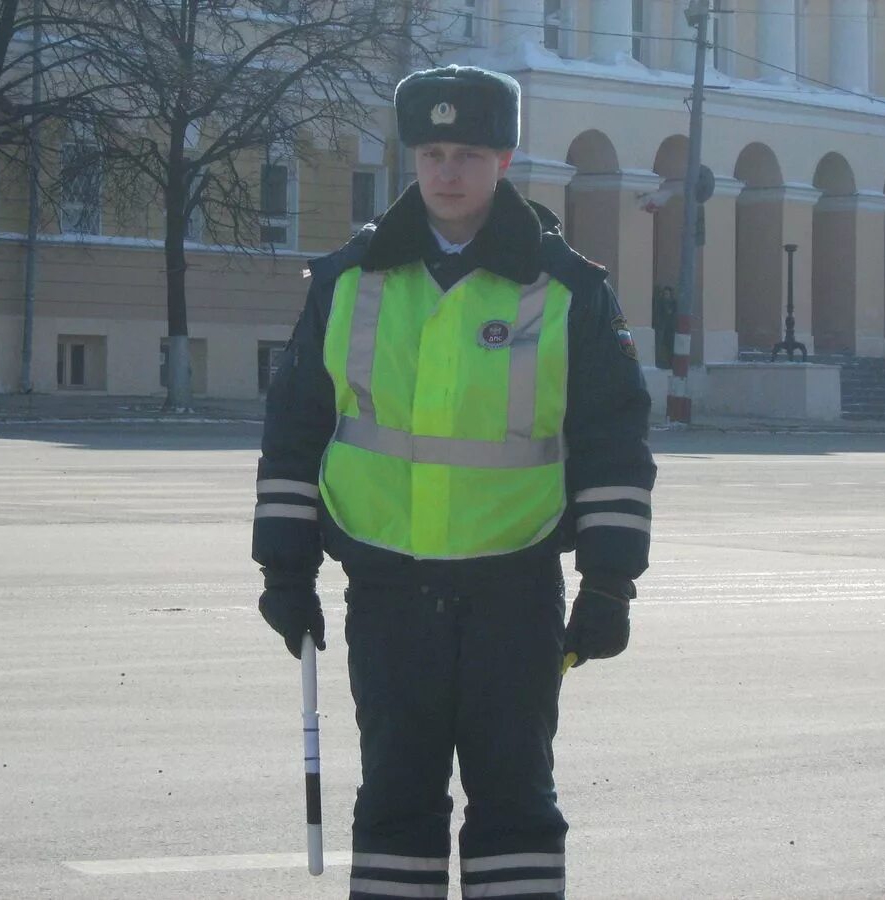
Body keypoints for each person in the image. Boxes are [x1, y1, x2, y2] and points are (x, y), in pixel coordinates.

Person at [252, 64, 656, 900]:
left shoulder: (569, 288)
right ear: (412, 159)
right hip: (388, 583)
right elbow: (295, 433)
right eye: (431, 151)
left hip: (514, 584)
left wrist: (611, 582)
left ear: (503, 160)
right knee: (396, 797)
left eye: (467, 152)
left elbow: (613, 443)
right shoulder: (347, 280)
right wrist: (284, 572)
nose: (446, 171)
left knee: (513, 799)